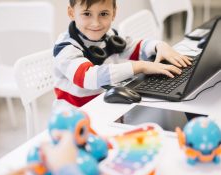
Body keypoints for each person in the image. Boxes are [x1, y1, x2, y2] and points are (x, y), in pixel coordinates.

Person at [53, 0, 192, 107]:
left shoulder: (109, 35)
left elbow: (134, 47)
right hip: (74, 117)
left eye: (103, 14)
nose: (95, 23)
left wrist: (159, 46)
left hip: (105, 104)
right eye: (87, 14)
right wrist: (140, 66)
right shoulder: (65, 47)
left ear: (113, 13)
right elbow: (87, 77)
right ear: (71, 13)